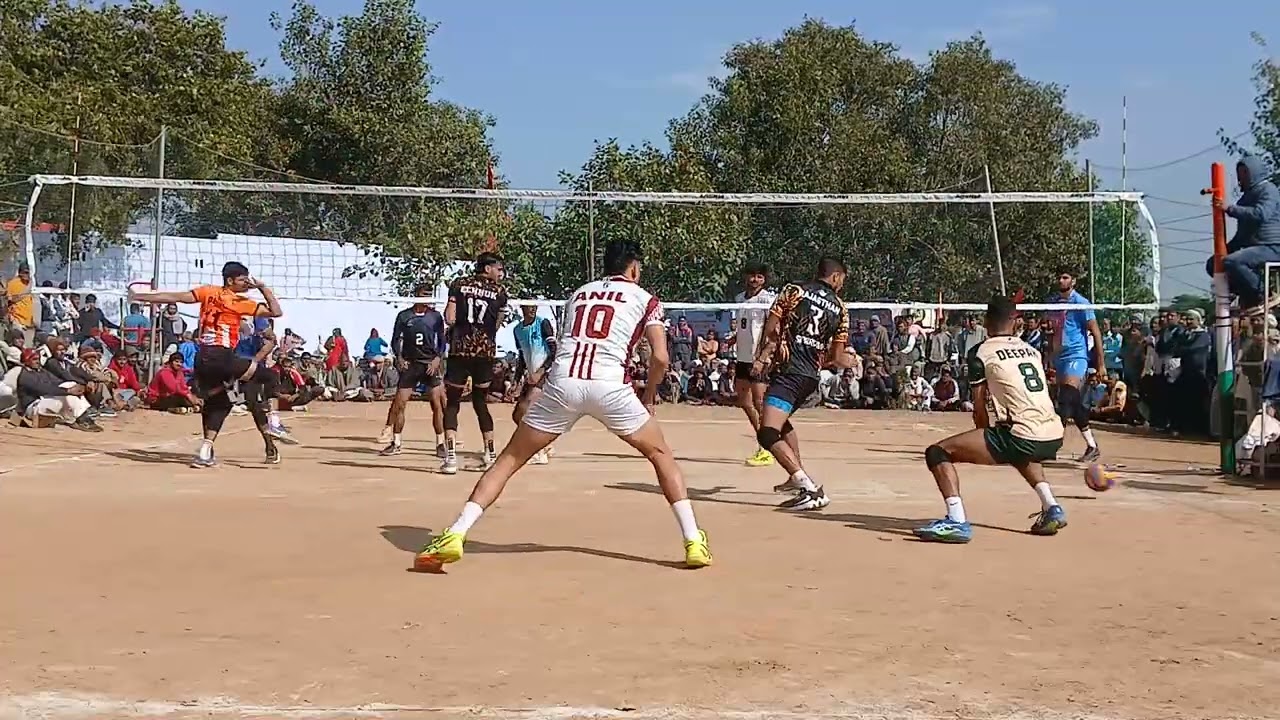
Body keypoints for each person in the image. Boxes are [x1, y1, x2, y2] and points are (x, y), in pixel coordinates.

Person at [413, 240, 711, 571]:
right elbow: (660, 356)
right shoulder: (646, 300)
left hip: (563, 384)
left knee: (509, 460)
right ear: (634, 268)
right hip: (611, 386)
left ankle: (456, 533)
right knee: (660, 455)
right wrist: (650, 395)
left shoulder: (578, 294)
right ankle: (693, 541)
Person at [913, 295, 1067, 544]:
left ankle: (956, 521)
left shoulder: (981, 352)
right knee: (1018, 449)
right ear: (1015, 321)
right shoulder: (1031, 351)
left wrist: (983, 438)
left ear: (986, 321)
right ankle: (1051, 506)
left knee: (937, 452)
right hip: (1054, 432)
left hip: (1022, 434)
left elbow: (979, 406)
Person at [129, 261, 296, 467]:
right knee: (267, 380)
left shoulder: (208, 293)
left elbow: (176, 296)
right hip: (225, 359)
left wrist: (139, 296)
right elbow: (276, 312)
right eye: (243, 279)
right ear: (230, 280)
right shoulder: (240, 302)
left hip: (205, 360)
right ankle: (274, 424)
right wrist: (262, 287)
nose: (246, 283)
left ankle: (206, 451)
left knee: (218, 404)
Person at [751, 257, 854, 511]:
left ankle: (808, 487)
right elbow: (836, 358)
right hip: (809, 376)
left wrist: (764, 356)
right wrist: (849, 361)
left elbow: (771, 327)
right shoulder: (840, 309)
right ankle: (796, 477)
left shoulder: (794, 290)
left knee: (767, 433)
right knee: (781, 424)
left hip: (789, 372)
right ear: (836, 277)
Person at [440, 252, 509, 474]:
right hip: (484, 352)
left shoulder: (459, 284)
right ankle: (490, 454)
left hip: (460, 350)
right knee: (481, 403)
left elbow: (449, 317)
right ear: (487, 268)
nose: (501, 273)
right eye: (498, 268)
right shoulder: (499, 292)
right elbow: (498, 322)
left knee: (452, 403)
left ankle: (450, 458)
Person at [1206, 155, 1280, 316]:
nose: (1241, 177)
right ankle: (1244, 293)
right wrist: (1225, 249)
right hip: (1252, 246)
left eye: (1244, 173)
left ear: (1254, 172)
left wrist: (1229, 209)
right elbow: (1243, 232)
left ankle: (1262, 295)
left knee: (1234, 261)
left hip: (1272, 246)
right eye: (1239, 173)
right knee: (1214, 264)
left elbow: (1261, 214)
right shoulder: (1247, 196)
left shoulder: (1268, 190)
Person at [1044, 270, 1105, 462]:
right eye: (1059, 277)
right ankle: (1092, 445)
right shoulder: (1053, 303)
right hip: (1059, 357)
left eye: (1065, 277)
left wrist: (1100, 364)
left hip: (1076, 355)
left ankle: (1051, 443)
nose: (1061, 280)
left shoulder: (1081, 302)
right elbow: (1050, 331)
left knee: (1067, 398)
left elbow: (1095, 332)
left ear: (1073, 280)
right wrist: (1049, 358)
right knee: (1073, 401)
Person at [380, 285, 447, 457]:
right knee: (400, 402)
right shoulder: (404, 316)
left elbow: (441, 340)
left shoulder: (435, 317)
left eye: (429, 296)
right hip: (411, 364)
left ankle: (440, 443)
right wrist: (399, 358)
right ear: (417, 296)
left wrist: (437, 359)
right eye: (424, 295)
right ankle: (396, 442)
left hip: (429, 364)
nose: (427, 299)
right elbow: (395, 339)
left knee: (437, 403)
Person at [729, 263, 778, 467]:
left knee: (760, 403)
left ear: (764, 280)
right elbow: (744, 327)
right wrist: (734, 339)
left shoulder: (769, 300)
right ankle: (764, 439)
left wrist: (763, 357)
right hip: (742, 357)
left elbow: (774, 334)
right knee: (743, 400)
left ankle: (768, 448)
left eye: (759, 277)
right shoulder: (740, 299)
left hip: (760, 359)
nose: (755, 280)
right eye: (752, 276)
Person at [510, 304, 557, 465]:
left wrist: (541, 371)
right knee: (517, 415)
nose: (533, 308)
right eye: (529, 306)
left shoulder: (543, 323)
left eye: (535, 306)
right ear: (522, 307)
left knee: (526, 410)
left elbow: (554, 351)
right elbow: (522, 357)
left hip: (547, 373)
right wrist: (516, 381)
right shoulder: (518, 330)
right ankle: (546, 444)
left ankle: (538, 452)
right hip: (532, 376)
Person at [13, 347, 101, 431]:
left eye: (38, 359)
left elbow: (58, 382)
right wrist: (68, 391)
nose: (37, 362)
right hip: (32, 407)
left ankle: (83, 415)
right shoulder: (25, 375)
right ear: (27, 360)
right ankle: (80, 417)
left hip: (44, 401)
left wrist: (75, 387)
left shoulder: (41, 371)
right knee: (65, 397)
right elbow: (44, 389)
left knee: (70, 384)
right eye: (34, 359)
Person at [6, 262, 35, 348]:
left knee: (28, 347)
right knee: (18, 347)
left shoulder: (31, 284)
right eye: (25, 272)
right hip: (17, 319)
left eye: (28, 273)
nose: (27, 275)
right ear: (20, 272)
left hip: (28, 322)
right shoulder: (12, 283)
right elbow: (8, 300)